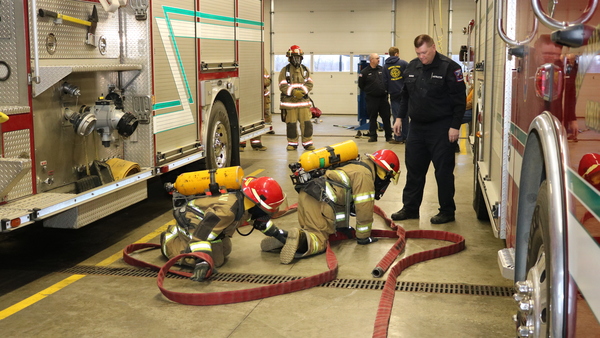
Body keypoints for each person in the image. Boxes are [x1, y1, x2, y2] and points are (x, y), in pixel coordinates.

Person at [261, 149, 400, 264]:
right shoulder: (365, 176)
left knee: (311, 230)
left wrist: (342, 229)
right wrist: (364, 237)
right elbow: (364, 209)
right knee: (318, 240)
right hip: (320, 201)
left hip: (308, 194)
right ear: (385, 172)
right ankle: (299, 238)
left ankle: (283, 237)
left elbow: (341, 202)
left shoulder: (355, 165)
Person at [391, 34, 466, 224]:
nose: (422, 56)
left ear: (433, 47)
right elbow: (405, 96)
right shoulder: (412, 66)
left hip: (441, 128)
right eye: (418, 53)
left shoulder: (449, 67)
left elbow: (460, 100)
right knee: (414, 170)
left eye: (424, 52)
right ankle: (410, 208)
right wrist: (399, 117)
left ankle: (447, 211)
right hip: (416, 127)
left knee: (442, 172)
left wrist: (454, 126)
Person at [160, 175, 287, 281]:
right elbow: (201, 235)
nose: (268, 213)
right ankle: (170, 240)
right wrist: (202, 261)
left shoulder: (244, 200)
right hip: (193, 221)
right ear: (258, 202)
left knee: (226, 249)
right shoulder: (226, 212)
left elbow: (254, 219)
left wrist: (278, 234)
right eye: (266, 209)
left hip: (208, 222)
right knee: (215, 260)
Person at [279, 45, 315, 151]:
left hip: (303, 103)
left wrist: (302, 92)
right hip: (290, 104)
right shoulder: (284, 71)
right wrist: (293, 93)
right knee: (291, 125)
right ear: (290, 58)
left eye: (298, 57)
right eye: (294, 57)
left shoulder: (305, 70)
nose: (297, 60)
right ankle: (292, 144)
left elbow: (310, 83)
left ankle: (308, 143)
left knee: (307, 124)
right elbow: (282, 85)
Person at [358, 53, 393, 143]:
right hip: (371, 98)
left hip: (383, 98)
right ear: (371, 60)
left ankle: (388, 136)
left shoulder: (382, 69)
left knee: (386, 117)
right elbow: (361, 85)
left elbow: (387, 81)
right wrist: (370, 91)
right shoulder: (364, 72)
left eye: (379, 58)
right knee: (372, 117)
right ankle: (373, 136)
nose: (378, 60)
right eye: (377, 58)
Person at [240, 69, 271, 151]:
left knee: (256, 121)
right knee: (243, 121)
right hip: (245, 97)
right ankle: (241, 144)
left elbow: (268, 81)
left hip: (258, 99)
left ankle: (256, 144)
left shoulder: (262, 68)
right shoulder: (242, 67)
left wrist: (260, 82)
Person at [383, 47, 409, 144]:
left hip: (393, 94)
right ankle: (407, 137)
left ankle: (398, 137)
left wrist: (388, 90)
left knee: (396, 116)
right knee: (405, 116)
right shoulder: (403, 63)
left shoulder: (385, 66)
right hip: (404, 93)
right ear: (397, 53)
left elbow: (384, 81)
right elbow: (409, 76)